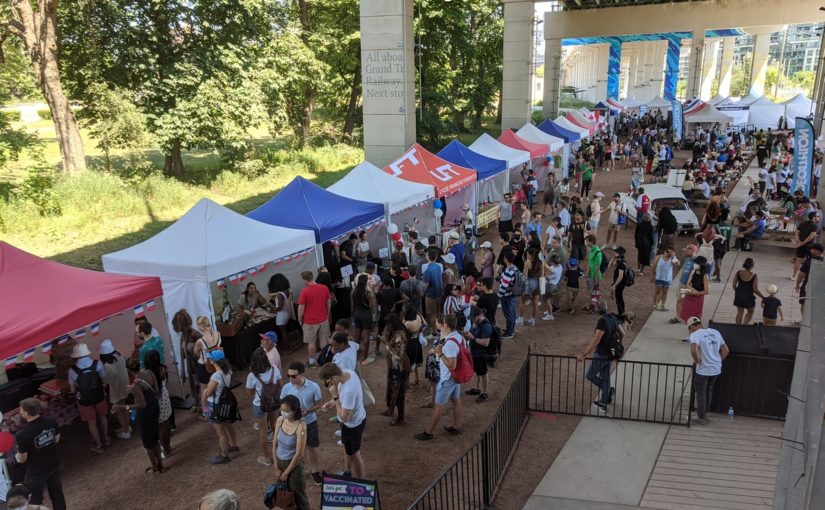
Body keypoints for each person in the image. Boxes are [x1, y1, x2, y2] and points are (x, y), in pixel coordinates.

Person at [415, 314, 465, 440]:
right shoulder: (458, 336)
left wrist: (440, 353)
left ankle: (429, 432)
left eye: (439, 322)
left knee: (439, 405)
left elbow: (451, 365)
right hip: (456, 376)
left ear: (446, 325)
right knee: (455, 400)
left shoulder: (450, 343)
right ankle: (456, 426)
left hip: (448, 377)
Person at [14, 398, 66, 510]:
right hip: (53, 463)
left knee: (33, 502)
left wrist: (18, 456)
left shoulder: (22, 435)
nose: (20, 412)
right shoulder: (51, 420)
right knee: (57, 496)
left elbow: (23, 459)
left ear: (27, 412)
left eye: (21, 410)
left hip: (36, 472)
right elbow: (56, 439)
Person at [113, 358, 163, 473]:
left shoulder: (136, 385)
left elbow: (142, 404)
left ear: (129, 370)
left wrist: (122, 407)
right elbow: (157, 390)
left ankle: (155, 467)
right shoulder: (149, 373)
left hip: (146, 414)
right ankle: (161, 464)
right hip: (155, 408)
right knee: (155, 438)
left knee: (148, 442)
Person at [576, 301, 624, 415]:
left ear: (597, 310)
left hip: (601, 354)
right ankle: (603, 401)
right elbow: (623, 333)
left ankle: (606, 394)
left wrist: (583, 354)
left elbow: (596, 340)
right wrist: (616, 343)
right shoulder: (612, 317)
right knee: (606, 377)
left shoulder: (602, 321)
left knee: (590, 375)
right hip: (610, 354)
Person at [320, 363, 367, 479]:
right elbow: (343, 397)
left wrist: (335, 397)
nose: (329, 385)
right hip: (353, 422)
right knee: (347, 447)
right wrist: (332, 402)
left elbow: (344, 418)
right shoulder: (348, 372)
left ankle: (360, 481)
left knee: (355, 455)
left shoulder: (348, 392)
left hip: (352, 426)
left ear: (335, 377)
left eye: (329, 382)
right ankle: (347, 473)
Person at [281, 362, 323, 485]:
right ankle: (298, 471)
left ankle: (315, 471)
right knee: (293, 448)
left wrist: (308, 411)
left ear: (302, 374)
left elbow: (319, 405)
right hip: (292, 423)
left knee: (312, 447)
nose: (290, 379)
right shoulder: (287, 387)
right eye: (288, 375)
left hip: (309, 422)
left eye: (293, 376)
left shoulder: (314, 387)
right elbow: (283, 405)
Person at [686, 317, 729, 425]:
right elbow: (726, 350)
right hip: (716, 369)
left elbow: (693, 350)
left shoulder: (695, 335)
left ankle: (701, 418)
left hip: (703, 370)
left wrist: (698, 361)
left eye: (689, 329)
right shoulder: (715, 332)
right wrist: (717, 361)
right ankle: (704, 414)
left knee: (701, 392)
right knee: (709, 390)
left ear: (692, 327)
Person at [68, 343, 108, 454]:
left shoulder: (72, 371)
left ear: (76, 356)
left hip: (84, 399)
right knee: (102, 417)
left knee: (92, 422)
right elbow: (104, 381)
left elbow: (72, 390)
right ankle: (106, 438)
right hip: (99, 395)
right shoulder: (98, 363)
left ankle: (99, 445)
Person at [272, 395, 310, 510]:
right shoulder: (280, 420)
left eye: (286, 411)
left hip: (294, 465)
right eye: (282, 410)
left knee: (299, 495)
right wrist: (276, 467)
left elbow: (298, 454)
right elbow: (274, 443)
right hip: (280, 461)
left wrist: (286, 472)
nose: (283, 413)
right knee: (285, 494)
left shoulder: (301, 426)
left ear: (294, 410)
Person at [201, 350, 239, 464]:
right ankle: (233, 445)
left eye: (210, 358)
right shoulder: (227, 371)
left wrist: (204, 393)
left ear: (213, 360)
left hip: (214, 405)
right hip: (224, 404)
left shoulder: (216, 375)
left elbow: (207, 394)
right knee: (227, 424)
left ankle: (225, 455)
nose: (208, 360)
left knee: (220, 433)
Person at [246, 347, 281, 466]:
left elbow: (249, 393)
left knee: (263, 431)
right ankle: (279, 453)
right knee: (276, 427)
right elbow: (280, 385)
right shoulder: (274, 369)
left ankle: (266, 457)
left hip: (259, 404)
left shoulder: (252, 375)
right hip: (275, 402)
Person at [297, 270, 332, 368]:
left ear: (304, 280)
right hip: (323, 318)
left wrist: (299, 318)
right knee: (323, 340)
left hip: (309, 321)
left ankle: (312, 360)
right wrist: (327, 313)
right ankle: (325, 358)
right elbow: (328, 301)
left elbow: (301, 307)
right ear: (313, 276)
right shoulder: (324, 287)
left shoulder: (305, 291)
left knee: (311, 342)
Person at [98, 339, 131, 440]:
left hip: (116, 389)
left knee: (119, 410)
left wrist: (102, 379)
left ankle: (125, 431)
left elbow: (108, 379)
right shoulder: (120, 356)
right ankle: (127, 427)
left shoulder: (108, 365)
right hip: (125, 385)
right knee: (124, 407)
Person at [381, 313, 411, 425]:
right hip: (394, 367)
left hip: (399, 368)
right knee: (392, 389)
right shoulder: (396, 333)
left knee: (398, 392)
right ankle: (390, 410)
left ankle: (401, 418)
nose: (387, 326)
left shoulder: (400, 336)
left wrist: (386, 344)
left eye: (389, 324)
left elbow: (398, 355)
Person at [143, 350, 173, 458]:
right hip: (165, 396)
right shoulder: (163, 368)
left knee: (160, 427)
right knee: (166, 423)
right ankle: (168, 446)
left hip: (156, 400)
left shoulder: (148, 374)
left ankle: (165, 450)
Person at [172, 309, 203, 402]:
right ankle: (199, 406)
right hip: (192, 368)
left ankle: (205, 411)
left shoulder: (194, 334)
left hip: (199, 367)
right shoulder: (184, 335)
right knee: (195, 389)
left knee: (203, 391)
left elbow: (203, 351)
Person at [464, 308, 491, 403]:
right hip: (475, 353)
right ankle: (477, 388)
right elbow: (472, 333)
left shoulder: (486, 326)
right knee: (477, 371)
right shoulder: (477, 323)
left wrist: (473, 338)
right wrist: (467, 334)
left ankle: (485, 393)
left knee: (483, 373)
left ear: (479, 316)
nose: (472, 320)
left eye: (473, 318)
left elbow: (486, 343)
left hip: (482, 354)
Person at [679, 256, 710, 339]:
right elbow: (688, 284)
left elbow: (706, 291)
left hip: (698, 299)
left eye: (696, 263)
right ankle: (690, 336)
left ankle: (698, 334)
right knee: (689, 318)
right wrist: (693, 290)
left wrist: (698, 293)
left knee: (696, 318)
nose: (695, 264)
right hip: (690, 296)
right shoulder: (694, 271)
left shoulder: (705, 276)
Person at [351, 273, 378, 365]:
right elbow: (372, 306)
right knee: (366, 336)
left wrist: (353, 315)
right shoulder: (368, 293)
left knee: (357, 336)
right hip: (366, 314)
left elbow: (352, 305)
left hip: (356, 313)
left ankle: (356, 354)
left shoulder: (353, 291)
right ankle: (365, 355)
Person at [732, 257, 763, 325]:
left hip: (739, 296)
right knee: (751, 311)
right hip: (749, 297)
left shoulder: (738, 273)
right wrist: (763, 297)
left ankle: (737, 328)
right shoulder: (754, 276)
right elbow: (755, 290)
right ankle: (744, 325)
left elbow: (734, 285)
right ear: (752, 266)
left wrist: (738, 291)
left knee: (740, 313)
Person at [194, 316, 222, 390]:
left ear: (201, 326)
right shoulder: (218, 334)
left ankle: (204, 402)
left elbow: (195, 353)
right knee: (217, 387)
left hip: (204, 366)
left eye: (198, 326)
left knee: (204, 390)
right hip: (217, 363)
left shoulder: (200, 341)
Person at [267, 273, 294, 347]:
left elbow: (280, 307)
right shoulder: (286, 291)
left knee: (283, 332)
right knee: (284, 331)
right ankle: (289, 345)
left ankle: (288, 348)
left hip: (281, 316)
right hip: (287, 313)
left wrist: (273, 309)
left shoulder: (279, 294)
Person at [403, 305, 426, 387]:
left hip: (410, 343)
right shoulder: (419, 315)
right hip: (417, 341)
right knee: (416, 360)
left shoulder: (407, 323)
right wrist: (420, 331)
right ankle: (417, 379)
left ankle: (407, 382)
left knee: (409, 362)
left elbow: (403, 332)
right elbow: (425, 324)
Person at [422, 249, 444, 336]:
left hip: (431, 295)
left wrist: (423, 292)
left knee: (432, 313)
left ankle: (434, 331)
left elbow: (426, 286)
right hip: (438, 292)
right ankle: (439, 328)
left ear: (428, 256)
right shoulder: (438, 267)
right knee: (438, 312)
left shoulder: (427, 270)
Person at [793, 211, 819, 281]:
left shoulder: (803, 223)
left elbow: (797, 233)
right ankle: (807, 277)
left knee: (798, 260)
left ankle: (794, 276)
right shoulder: (814, 225)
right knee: (809, 261)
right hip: (809, 246)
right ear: (814, 217)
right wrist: (803, 243)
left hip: (800, 245)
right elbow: (810, 237)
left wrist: (799, 241)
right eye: (818, 216)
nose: (818, 218)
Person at [652, 247, 680, 312]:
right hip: (659, 278)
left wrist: (673, 256)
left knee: (665, 292)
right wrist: (652, 276)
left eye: (670, 252)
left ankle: (662, 305)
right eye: (667, 251)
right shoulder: (659, 257)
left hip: (667, 279)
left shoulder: (672, 259)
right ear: (664, 251)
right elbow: (653, 267)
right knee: (657, 292)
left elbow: (678, 264)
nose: (668, 253)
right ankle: (655, 305)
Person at [497, 252, 518, 339]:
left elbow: (504, 287)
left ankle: (509, 333)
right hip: (513, 294)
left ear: (506, 259)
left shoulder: (508, 271)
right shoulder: (515, 268)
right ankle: (510, 330)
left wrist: (498, 296)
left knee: (509, 314)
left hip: (507, 296)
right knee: (512, 313)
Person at [521, 248, 542, 326]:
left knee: (522, 301)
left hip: (530, 283)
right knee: (535, 303)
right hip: (538, 283)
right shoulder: (541, 263)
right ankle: (533, 320)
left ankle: (520, 319)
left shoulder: (527, 263)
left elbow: (525, 276)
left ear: (530, 255)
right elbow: (542, 275)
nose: (527, 256)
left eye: (527, 254)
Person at [585, 235, 604, 312]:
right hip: (590, 274)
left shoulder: (598, 252)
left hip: (594, 276)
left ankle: (595, 308)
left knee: (595, 292)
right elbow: (590, 262)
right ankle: (592, 306)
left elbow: (597, 267)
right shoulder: (592, 250)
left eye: (587, 241)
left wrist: (596, 279)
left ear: (592, 242)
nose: (586, 242)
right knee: (592, 291)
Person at [610, 247, 629, 317]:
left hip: (620, 284)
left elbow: (620, 276)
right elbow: (610, 265)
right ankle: (620, 313)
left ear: (620, 254)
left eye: (616, 252)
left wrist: (615, 285)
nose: (615, 253)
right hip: (618, 283)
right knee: (618, 298)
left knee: (619, 298)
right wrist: (613, 258)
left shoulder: (621, 264)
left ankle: (621, 313)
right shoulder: (619, 261)